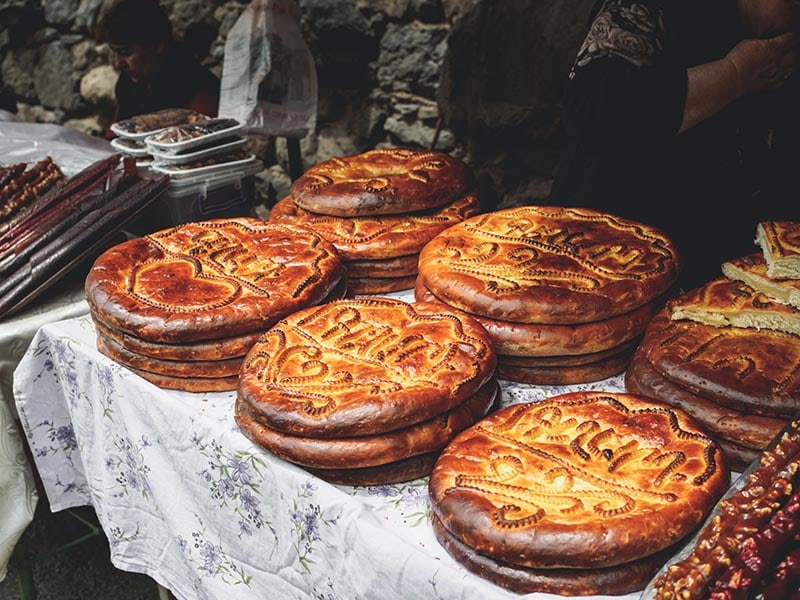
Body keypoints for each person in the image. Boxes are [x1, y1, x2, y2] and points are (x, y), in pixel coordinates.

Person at [548, 0, 800, 291]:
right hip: (608, 259)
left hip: (735, 275)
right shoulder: (657, 8)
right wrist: (735, 74)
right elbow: (595, 112)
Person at [94, 0, 220, 131]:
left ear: (156, 45)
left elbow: (198, 138)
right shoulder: (128, 84)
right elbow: (118, 132)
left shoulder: (196, 87)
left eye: (126, 52)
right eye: (116, 53)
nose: (119, 64)